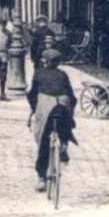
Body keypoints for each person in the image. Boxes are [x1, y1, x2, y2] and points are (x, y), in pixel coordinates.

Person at [27, 47, 78, 191]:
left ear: (46, 62)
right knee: (65, 122)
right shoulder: (63, 75)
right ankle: (64, 145)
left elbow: (32, 94)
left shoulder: (39, 74)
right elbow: (72, 96)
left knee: (43, 139)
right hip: (62, 107)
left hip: (46, 108)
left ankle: (41, 177)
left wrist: (34, 108)